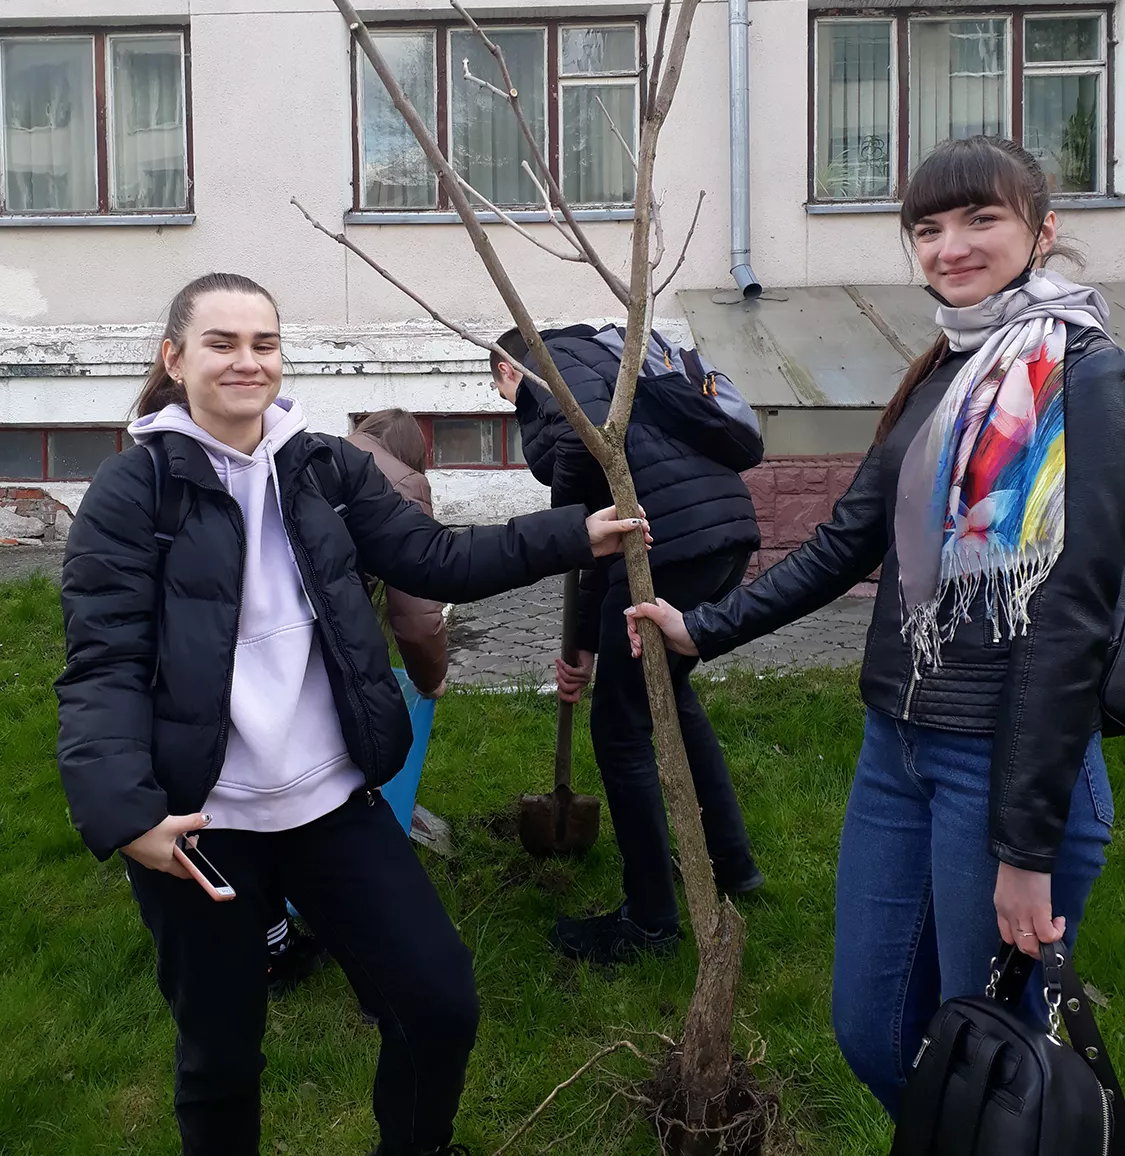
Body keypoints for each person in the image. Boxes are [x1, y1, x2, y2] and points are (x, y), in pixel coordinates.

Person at [55, 272, 649, 1156]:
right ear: (175, 359)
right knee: (220, 1057)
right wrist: (124, 812)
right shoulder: (132, 491)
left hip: (333, 805)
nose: (246, 361)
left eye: (264, 343)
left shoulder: (322, 466)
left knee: (437, 1003)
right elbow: (101, 663)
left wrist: (571, 532)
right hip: (201, 825)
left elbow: (435, 556)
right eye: (222, 343)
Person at [627, 136, 1125, 1116]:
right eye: (928, 227)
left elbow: (1074, 615)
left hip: (1007, 764)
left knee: (984, 1057)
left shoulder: (1087, 376)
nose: (950, 246)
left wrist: (1025, 852)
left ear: (1043, 229)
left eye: (980, 219)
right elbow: (849, 537)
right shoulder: (948, 367)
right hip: (894, 749)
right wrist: (706, 629)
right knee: (873, 1031)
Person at [491, 322, 764, 965]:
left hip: (666, 542)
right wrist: (584, 641)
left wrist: (567, 526)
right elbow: (607, 502)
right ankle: (732, 864)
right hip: (715, 532)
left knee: (619, 731)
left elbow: (591, 443)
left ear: (504, 371)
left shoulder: (547, 363)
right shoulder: (609, 356)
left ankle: (649, 922)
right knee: (668, 695)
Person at [265, 407, 450, 1000]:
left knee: (253, 795)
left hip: (259, 660)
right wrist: (430, 679)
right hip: (310, 657)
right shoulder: (402, 483)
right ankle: (376, 970)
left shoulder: (317, 455)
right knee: (332, 805)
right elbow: (418, 611)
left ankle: (270, 936)